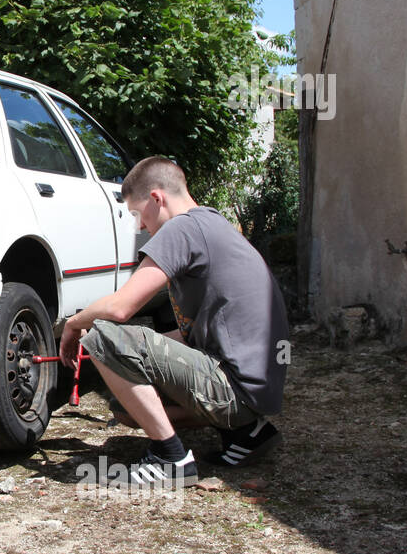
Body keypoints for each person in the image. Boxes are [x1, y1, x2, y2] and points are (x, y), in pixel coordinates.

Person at [57, 156, 289, 484]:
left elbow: (121, 307)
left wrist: (74, 323)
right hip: (252, 391)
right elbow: (187, 336)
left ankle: (170, 459)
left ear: (156, 199)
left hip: (234, 389)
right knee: (127, 409)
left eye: (137, 214)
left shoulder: (182, 227)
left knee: (101, 336)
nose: (138, 226)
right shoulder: (211, 224)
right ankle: (247, 433)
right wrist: (136, 359)